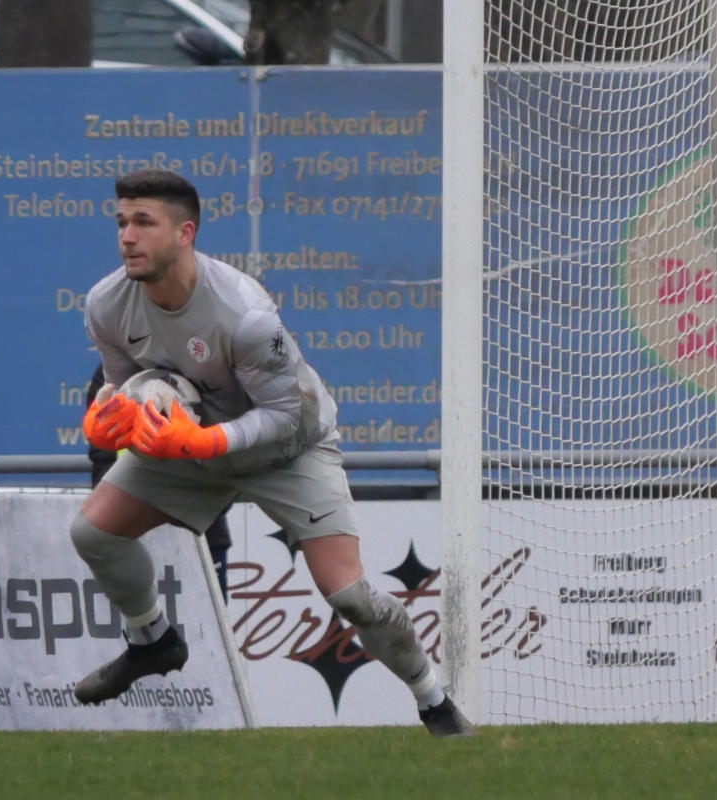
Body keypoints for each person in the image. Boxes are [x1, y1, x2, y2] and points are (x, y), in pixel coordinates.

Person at [69, 168, 473, 737]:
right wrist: (110, 420)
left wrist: (209, 439)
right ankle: (151, 641)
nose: (126, 237)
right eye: (120, 223)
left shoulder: (244, 313)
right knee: (92, 532)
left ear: (186, 233)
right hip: (193, 446)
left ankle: (435, 703)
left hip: (289, 449)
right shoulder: (106, 304)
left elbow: (291, 415)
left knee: (349, 595)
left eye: (143, 222)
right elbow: (127, 384)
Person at [84, 362, 233, 602]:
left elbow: (229, 462)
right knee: (143, 632)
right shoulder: (110, 378)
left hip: (203, 535)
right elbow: (101, 460)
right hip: (131, 534)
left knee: (211, 634)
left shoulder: (204, 370)